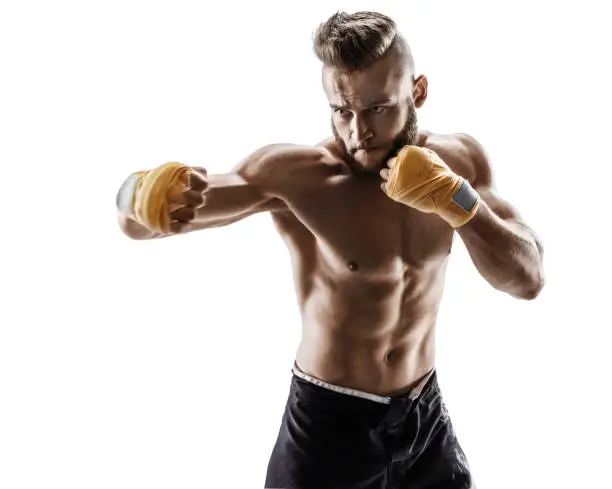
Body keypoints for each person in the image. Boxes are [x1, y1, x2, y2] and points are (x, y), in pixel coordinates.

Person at [116, 10, 545, 489]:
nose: (358, 133)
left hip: (424, 416)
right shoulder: (300, 176)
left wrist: (459, 202)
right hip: (328, 426)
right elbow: (143, 226)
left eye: (378, 109)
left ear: (418, 92)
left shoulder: (460, 161)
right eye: (343, 111)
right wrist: (139, 195)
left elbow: (527, 279)